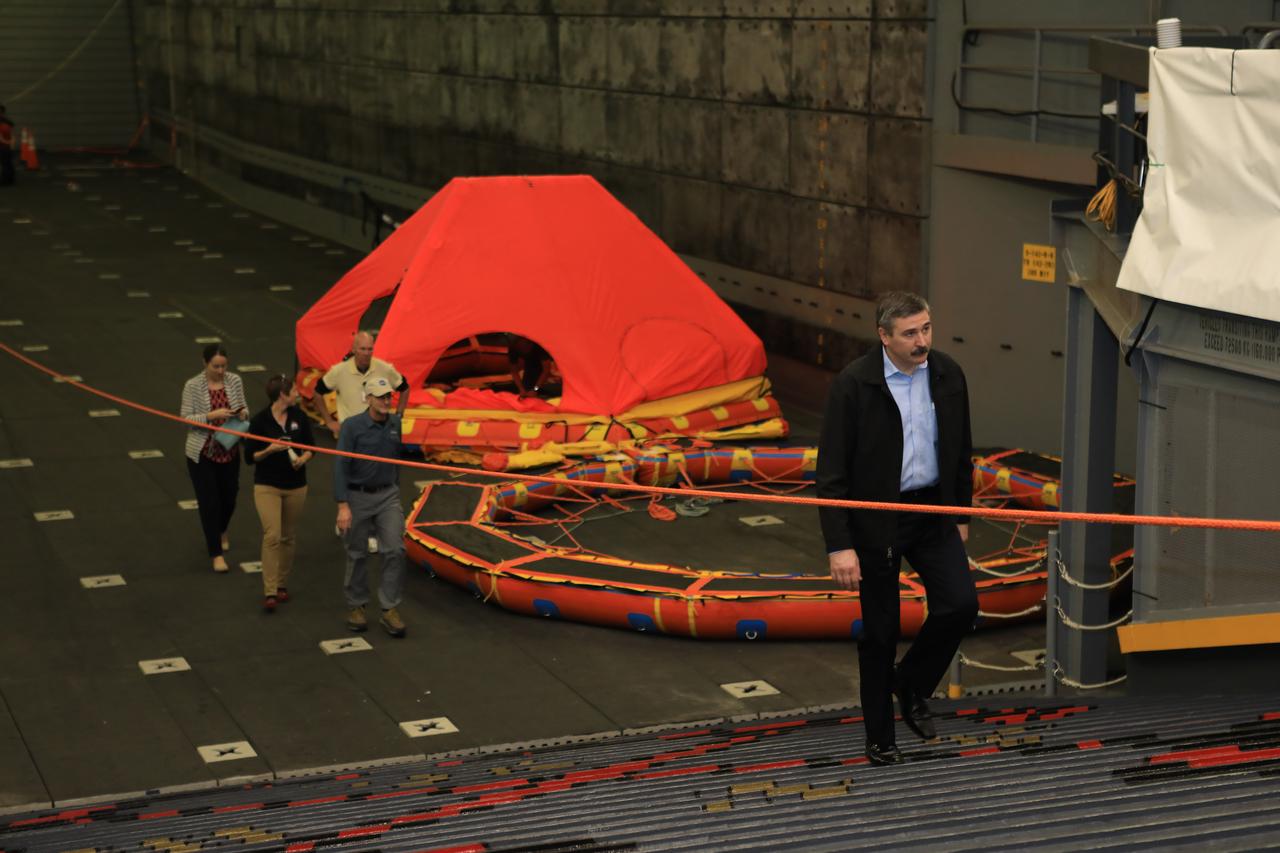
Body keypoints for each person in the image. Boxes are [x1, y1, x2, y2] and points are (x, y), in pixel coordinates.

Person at [816, 291, 978, 767]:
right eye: (910, 333)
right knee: (881, 632)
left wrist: (961, 516)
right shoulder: (853, 385)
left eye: (926, 328)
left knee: (961, 605)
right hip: (877, 520)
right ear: (883, 336)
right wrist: (839, 545)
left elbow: (961, 451)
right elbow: (830, 474)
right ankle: (880, 739)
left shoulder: (948, 374)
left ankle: (909, 685)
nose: (922, 341)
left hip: (933, 513)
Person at [334, 376, 408, 637]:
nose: (387, 401)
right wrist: (343, 505)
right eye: (381, 397)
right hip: (358, 497)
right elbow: (341, 466)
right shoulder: (352, 427)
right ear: (368, 399)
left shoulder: (395, 424)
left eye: (389, 396)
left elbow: (397, 460)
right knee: (357, 553)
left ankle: (389, 609)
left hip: (388, 496)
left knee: (395, 549)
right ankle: (357, 606)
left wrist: (395, 491)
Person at [244, 374, 314, 612]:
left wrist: (302, 458)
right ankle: (270, 590)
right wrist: (269, 450)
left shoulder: (300, 417)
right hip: (267, 485)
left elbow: (310, 447)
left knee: (288, 536)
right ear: (282, 395)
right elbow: (249, 457)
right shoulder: (259, 421)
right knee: (272, 535)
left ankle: (282, 584)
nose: (297, 393)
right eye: (294, 390)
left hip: (296, 485)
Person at [182, 344, 250, 572]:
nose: (221, 371)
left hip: (229, 449)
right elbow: (186, 418)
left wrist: (241, 413)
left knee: (229, 498)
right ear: (204, 363)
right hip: (202, 453)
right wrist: (211, 416)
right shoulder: (192, 386)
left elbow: (245, 408)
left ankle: (221, 529)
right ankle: (216, 553)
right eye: (215, 366)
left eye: (224, 366)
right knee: (209, 503)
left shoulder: (235, 381)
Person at [314, 330, 409, 437]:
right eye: (362, 349)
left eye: (370, 349)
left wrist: (398, 416)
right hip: (349, 434)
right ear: (353, 349)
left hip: (379, 433)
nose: (366, 353)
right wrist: (329, 421)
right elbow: (317, 392)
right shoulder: (338, 371)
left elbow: (405, 388)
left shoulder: (384, 369)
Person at [506, 333, 556, 398]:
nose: (523, 351)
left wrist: (535, 389)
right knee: (527, 388)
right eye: (520, 349)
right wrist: (521, 389)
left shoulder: (539, 346)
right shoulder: (513, 348)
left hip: (549, 361)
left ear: (531, 344)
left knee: (544, 388)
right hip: (530, 363)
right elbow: (514, 371)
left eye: (525, 348)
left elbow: (546, 370)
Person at [0, 105, 14, 187]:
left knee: (5, 164)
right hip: (7, 146)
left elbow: (1, 138)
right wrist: (10, 143)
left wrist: (6, 142)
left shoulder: (3, 124)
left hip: (3, 146)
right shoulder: (8, 123)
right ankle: (10, 179)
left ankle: (5, 180)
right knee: (8, 163)